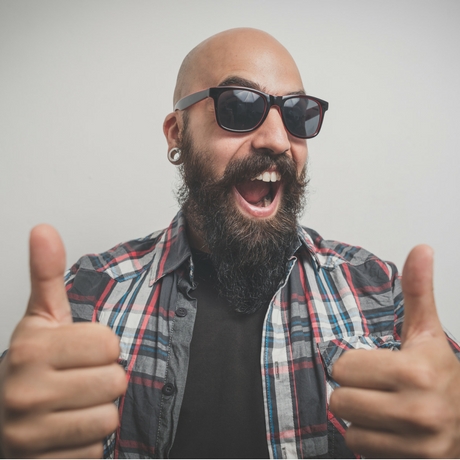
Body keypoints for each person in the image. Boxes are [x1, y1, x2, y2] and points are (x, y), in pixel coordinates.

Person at [1, 27, 460, 459]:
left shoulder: (380, 291)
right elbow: (23, 402)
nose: (279, 139)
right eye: (241, 107)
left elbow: (444, 392)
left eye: (297, 114)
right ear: (177, 133)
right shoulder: (88, 294)